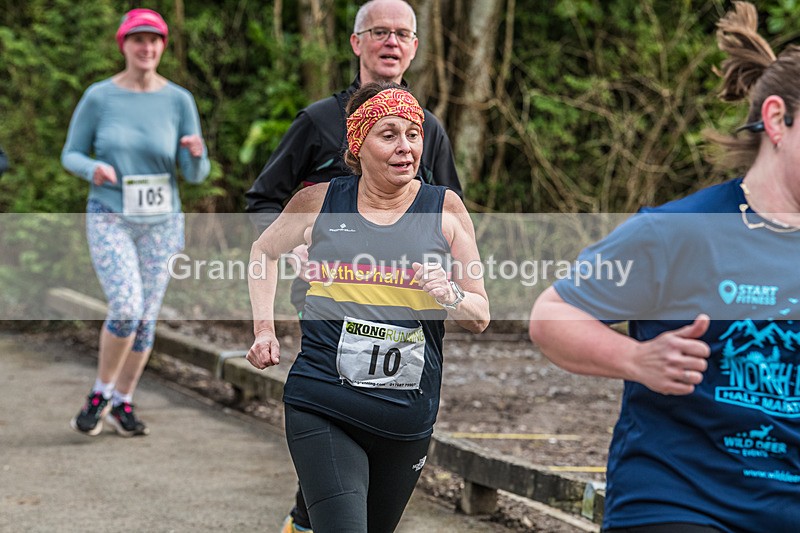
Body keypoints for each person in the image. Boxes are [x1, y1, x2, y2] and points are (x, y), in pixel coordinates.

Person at [529, 3, 800, 531]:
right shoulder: (679, 231)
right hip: (678, 501)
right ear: (777, 120)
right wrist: (637, 358)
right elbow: (550, 315)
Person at [246, 1, 462, 530]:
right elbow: (263, 202)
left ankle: (306, 518)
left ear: (414, 46)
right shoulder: (320, 119)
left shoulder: (426, 128)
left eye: (403, 34)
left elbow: (452, 214)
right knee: (331, 426)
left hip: (406, 323)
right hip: (326, 308)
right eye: (380, 31)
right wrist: (293, 249)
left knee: (338, 489)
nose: (392, 42)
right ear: (357, 42)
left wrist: (452, 287)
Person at [62, 8, 210, 438]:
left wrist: (197, 154)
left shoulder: (179, 99)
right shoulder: (99, 96)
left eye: (154, 40)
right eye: (137, 40)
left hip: (163, 221)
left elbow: (195, 174)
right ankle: (100, 393)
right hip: (111, 215)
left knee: (146, 318)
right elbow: (70, 152)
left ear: (163, 46)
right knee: (126, 307)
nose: (146, 47)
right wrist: (93, 169)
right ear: (123, 45)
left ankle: (122, 401)